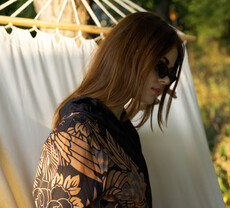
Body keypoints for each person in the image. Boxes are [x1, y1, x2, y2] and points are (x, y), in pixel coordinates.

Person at [32, 12, 185, 208]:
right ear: (130, 56)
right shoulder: (78, 132)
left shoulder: (120, 131)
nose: (166, 80)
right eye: (161, 67)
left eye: (170, 74)